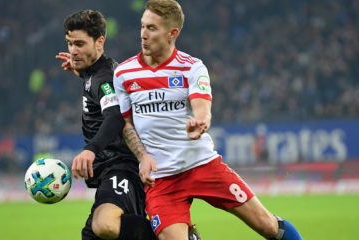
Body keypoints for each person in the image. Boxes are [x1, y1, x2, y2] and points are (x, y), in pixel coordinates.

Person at [113, 0, 304, 239]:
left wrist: (200, 121)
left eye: (152, 28)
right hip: (161, 181)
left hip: (202, 166)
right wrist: (142, 157)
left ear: (173, 33)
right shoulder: (123, 73)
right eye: (142, 26)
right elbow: (126, 123)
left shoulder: (192, 68)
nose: (143, 34)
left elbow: (202, 106)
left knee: (266, 225)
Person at [55, 10, 157, 240]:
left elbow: (115, 116)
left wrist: (91, 149)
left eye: (80, 43)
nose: (73, 50)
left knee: (105, 225)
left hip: (121, 167)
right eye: (70, 43)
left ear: (100, 42)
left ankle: (176, 236)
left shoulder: (104, 77)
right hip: (110, 170)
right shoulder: (95, 74)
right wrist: (81, 73)